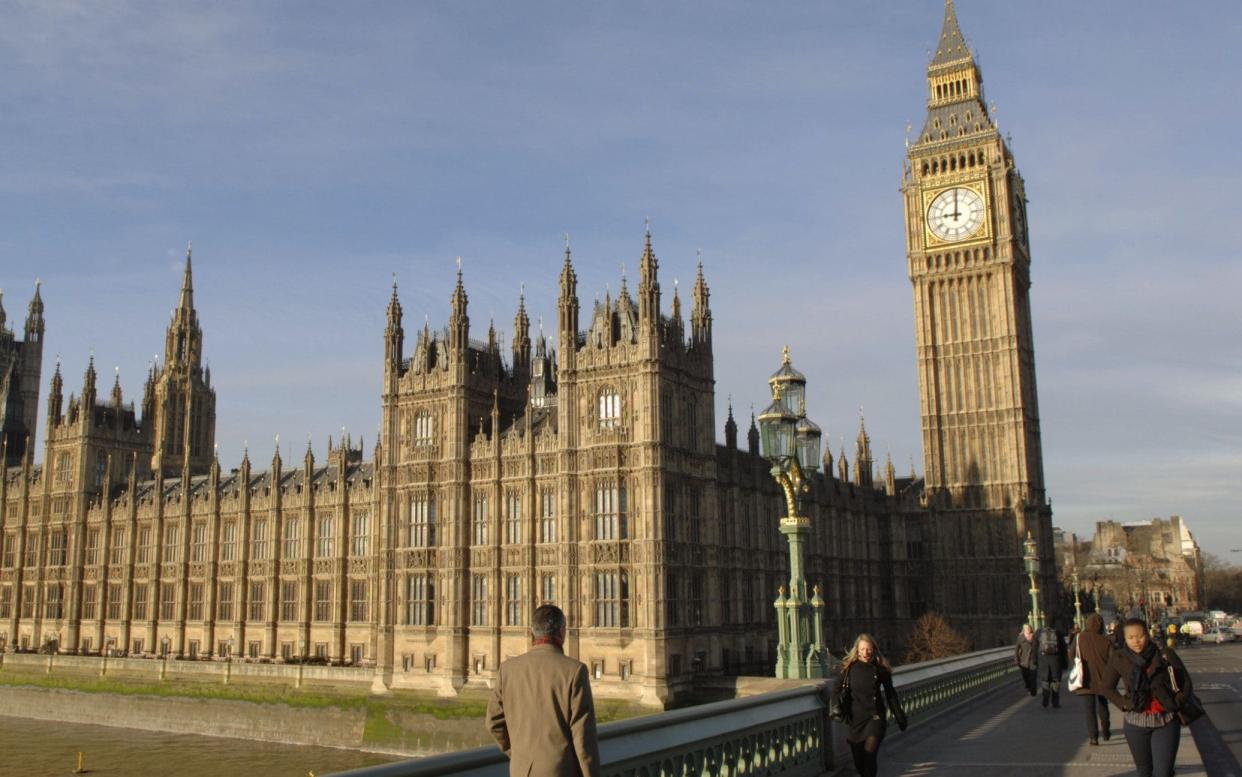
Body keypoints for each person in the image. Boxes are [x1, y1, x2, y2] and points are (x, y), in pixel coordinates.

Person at [486, 604, 601, 777]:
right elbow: (584, 740)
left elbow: (493, 723)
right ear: (562, 632)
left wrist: (518, 753)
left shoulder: (507, 669)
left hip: (521, 771)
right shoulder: (574, 671)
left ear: (532, 631)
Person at [1096, 617, 1194, 777]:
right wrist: (1125, 704)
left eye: (1140, 636)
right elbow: (1106, 687)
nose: (1136, 641)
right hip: (1135, 723)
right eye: (1131, 637)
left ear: (1147, 635)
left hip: (1165, 721)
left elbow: (1185, 682)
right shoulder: (1119, 657)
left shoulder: (1164, 654)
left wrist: (1177, 702)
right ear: (1125, 639)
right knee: (1144, 772)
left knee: (1163, 772)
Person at [831, 633, 907, 777]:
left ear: (874, 649)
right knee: (860, 763)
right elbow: (836, 688)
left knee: (869, 755)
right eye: (862, 649)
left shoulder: (880, 669)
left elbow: (891, 694)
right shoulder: (848, 669)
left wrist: (900, 716)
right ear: (857, 650)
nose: (866, 653)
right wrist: (835, 706)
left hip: (875, 718)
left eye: (869, 649)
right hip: (855, 720)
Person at [1071, 613, 1113, 745]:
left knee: (1089, 710)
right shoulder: (1106, 641)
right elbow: (1113, 661)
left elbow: (1071, 654)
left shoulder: (1079, 638)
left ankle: (1093, 737)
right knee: (1103, 705)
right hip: (1103, 678)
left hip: (1085, 679)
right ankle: (1106, 731)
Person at [1035, 621, 1067, 708]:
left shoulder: (1038, 633)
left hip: (1043, 661)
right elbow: (1064, 649)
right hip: (1056, 661)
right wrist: (1065, 663)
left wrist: (1035, 662)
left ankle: (1045, 700)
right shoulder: (1058, 633)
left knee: (1045, 681)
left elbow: (1034, 648)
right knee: (1055, 682)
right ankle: (1055, 702)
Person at [1014, 623, 1038, 696]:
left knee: (1033, 677)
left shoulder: (1035, 636)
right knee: (1026, 677)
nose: (1028, 630)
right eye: (1026, 628)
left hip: (1033, 660)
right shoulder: (1020, 637)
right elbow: (1017, 649)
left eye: (1029, 628)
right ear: (1024, 629)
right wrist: (1016, 658)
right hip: (1024, 661)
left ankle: (1033, 692)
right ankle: (1028, 686)